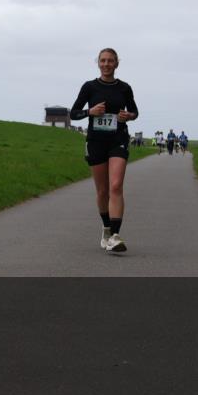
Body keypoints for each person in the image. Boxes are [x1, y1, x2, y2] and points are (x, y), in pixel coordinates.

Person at [70, 48, 139, 253]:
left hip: (118, 139)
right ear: (98, 63)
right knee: (102, 191)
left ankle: (115, 236)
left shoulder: (124, 88)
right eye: (103, 60)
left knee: (116, 186)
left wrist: (128, 116)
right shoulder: (89, 87)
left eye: (110, 61)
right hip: (96, 141)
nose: (106, 64)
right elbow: (73, 113)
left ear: (117, 64)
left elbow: (135, 111)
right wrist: (89, 112)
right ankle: (107, 228)